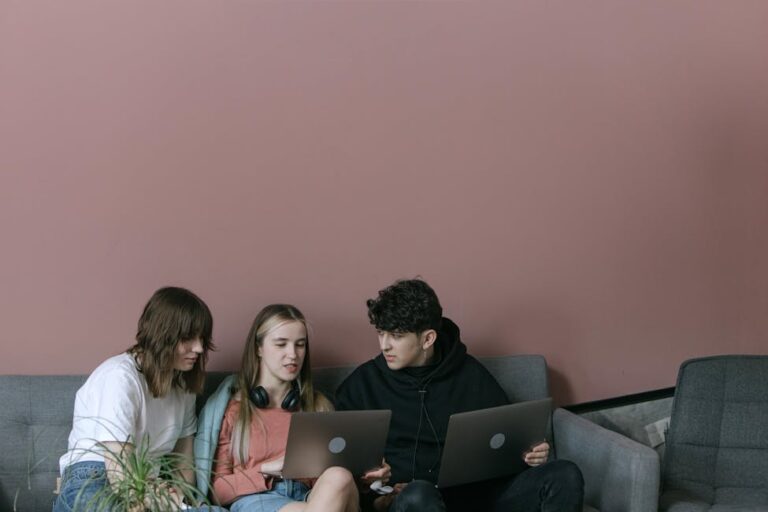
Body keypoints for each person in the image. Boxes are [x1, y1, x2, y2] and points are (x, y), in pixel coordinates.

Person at [335, 278, 584, 512]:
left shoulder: (470, 374)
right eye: (381, 333)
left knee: (564, 474)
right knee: (419, 494)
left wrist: (529, 453)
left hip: (475, 496)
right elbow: (342, 472)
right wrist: (372, 485)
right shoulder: (361, 385)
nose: (384, 345)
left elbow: (507, 442)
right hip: (410, 500)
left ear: (428, 339)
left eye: (396, 336)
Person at [196, 304, 381, 512]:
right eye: (281, 344)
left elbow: (340, 481)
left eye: (300, 345)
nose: (293, 354)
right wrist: (266, 469)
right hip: (258, 499)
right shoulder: (232, 410)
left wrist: (368, 475)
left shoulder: (318, 406)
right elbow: (217, 492)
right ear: (258, 348)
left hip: (313, 497)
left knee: (340, 475)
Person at [54, 286, 223, 512]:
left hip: (147, 484)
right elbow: (119, 472)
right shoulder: (120, 377)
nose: (199, 348)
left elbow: (183, 461)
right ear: (162, 335)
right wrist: (157, 501)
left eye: (202, 338)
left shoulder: (183, 387)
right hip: (96, 477)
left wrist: (187, 501)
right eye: (188, 338)